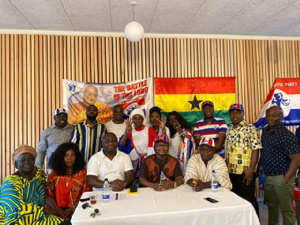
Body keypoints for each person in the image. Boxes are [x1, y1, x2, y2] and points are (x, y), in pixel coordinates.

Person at [0, 145, 65, 224]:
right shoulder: (10, 182)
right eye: (22, 160)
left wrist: (57, 210)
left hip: (38, 217)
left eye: (30, 159)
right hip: (15, 218)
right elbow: (14, 208)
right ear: (16, 165)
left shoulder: (38, 177)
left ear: (34, 161)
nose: (27, 162)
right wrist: (46, 210)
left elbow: (45, 196)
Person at [261, 106, 300, 225]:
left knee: (286, 210)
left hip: (282, 177)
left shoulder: (287, 135)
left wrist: (286, 178)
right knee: (272, 206)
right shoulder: (265, 132)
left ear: (281, 117)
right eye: (268, 115)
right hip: (268, 176)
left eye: (274, 115)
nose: (270, 118)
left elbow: (296, 159)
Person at [225, 103, 261, 216]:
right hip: (231, 172)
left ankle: (255, 222)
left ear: (242, 114)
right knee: (235, 200)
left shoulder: (250, 128)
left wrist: (251, 169)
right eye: (232, 112)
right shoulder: (229, 130)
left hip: (245, 172)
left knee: (249, 200)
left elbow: (256, 149)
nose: (235, 114)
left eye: (238, 112)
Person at [47, 142, 91, 219]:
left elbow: (87, 195)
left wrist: (72, 208)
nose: (69, 158)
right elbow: (48, 195)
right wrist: (57, 210)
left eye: (72, 155)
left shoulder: (83, 173)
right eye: (66, 155)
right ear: (61, 157)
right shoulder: (55, 174)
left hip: (78, 210)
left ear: (76, 157)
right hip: (56, 211)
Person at [118, 108, 158, 177]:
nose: (137, 120)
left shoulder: (150, 130)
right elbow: (121, 145)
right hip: (134, 162)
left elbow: (158, 144)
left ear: (143, 119)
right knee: (135, 182)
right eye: (135, 118)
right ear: (132, 120)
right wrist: (126, 132)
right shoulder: (130, 132)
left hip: (149, 160)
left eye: (139, 118)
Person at [35, 108, 73, 173]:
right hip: (52, 168)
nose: (62, 118)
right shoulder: (47, 132)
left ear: (67, 117)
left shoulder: (74, 130)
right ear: (54, 118)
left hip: (70, 168)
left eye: (64, 116)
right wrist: (38, 168)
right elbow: (41, 151)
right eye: (59, 116)